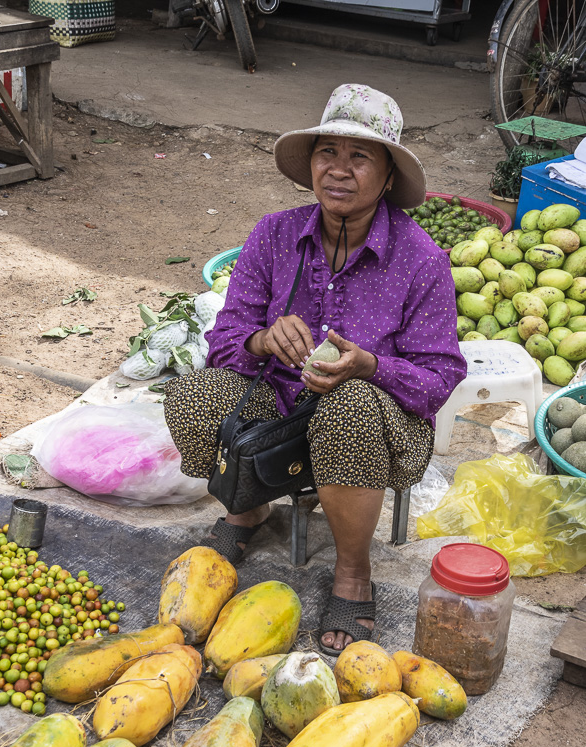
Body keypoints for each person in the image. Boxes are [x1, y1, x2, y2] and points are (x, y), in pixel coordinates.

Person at [164, 83, 466, 656]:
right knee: (192, 396)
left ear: (388, 176)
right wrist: (261, 339)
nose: (339, 170)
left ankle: (353, 572)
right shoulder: (276, 234)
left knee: (348, 407)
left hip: (375, 423)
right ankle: (248, 509)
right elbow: (224, 337)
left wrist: (369, 365)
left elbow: (439, 376)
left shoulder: (421, 259)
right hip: (278, 406)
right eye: (328, 152)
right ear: (310, 164)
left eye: (360, 157)